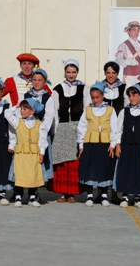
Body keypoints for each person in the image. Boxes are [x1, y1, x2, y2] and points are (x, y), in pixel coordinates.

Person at [48, 59, 90, 203]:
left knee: (74, 161)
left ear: (77, 72)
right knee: (61, 161)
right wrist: (55, 129)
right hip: (63, 127)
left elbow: (86, 109)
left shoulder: (84, 89)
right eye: (68, 72)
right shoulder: (57, 89)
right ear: (65, 72)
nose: (71, 75)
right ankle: (63, 192)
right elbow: (54, 110)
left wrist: (83, 129)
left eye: (73, 72)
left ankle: (72, 193)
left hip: (77, 127)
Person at [113, 84, 140, 209]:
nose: (132, 98)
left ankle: (139, 196)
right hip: (126, 145)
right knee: (126, 169)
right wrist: (118, 145)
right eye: (130, 96)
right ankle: (125, 195)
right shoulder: (124, 111)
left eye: (134, 95)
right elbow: (118, 130)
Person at [77, 81, 118, 207]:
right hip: (90, 144)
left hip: (105, 145)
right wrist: (81, 145)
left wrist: (113, 144)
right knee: (90, 168)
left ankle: (104, 194)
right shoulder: (87, 110)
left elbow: (114, 129)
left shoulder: (110, 110)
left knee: (104, 168)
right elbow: (82, 128)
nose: (95, 100)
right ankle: (90, 194)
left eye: (97, 97)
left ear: (103, 96)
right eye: (93, 98)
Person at [5, 99, 48, 208]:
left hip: (33, 153)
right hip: (21, 153)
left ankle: (32, 196)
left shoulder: (39, 124)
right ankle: (18, 195)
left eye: (24, 109)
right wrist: (16, 105)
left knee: (33, 173)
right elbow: (7, 114)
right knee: (20, 173)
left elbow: (42, 140)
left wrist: (42, 153)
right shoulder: (18, 121)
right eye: (21, 109)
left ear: (32, 111)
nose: (22, 111)